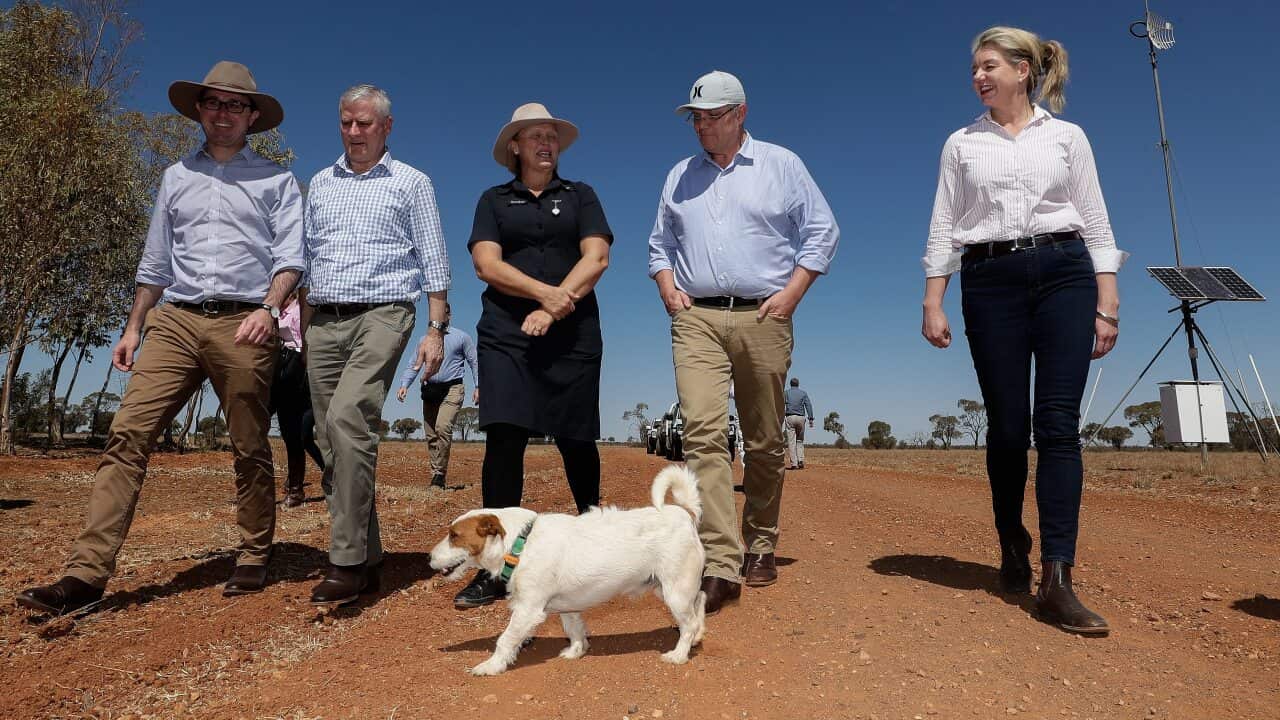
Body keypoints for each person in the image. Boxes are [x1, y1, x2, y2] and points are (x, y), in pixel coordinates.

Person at [16, 61, 304, 616]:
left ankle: (253, 550)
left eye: (235, 105)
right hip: (175, 318)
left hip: (245, 319)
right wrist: (133, 327)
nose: (223, 113)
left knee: (246, 443)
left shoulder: (277, 180)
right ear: (199, 110)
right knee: (127, 434)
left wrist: (270, 309)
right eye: (213, 103)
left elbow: (292, 259)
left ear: (252, 117)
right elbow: (155, 261)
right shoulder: (176, 175)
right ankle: (85, 575)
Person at [921, 26, 1125, 636]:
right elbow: (944, 225)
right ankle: (1013, 542)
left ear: (1023, 70)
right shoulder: (961, 143)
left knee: (1057, 424)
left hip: (1065, 273)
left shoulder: (1067, 136)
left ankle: (1058, 577)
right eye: (975, 68)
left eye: (989, 66)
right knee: (1008, 427)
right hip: (990, 280)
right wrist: (935, 299)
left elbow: (1094, 217)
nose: (978, 77)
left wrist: (1107, 299)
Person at [648, 70, 839, 615]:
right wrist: (667, 286)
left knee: (761, 439)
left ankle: (761, 543)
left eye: (713, 116)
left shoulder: (782, 164)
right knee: (703, 435)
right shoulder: (679, 176)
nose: (702, 127)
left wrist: (794, 292)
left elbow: (823, 230)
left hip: (763, 315)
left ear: (741, 114)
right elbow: (659, 243)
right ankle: (720, 562)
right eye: (696, 118)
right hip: (697, 318)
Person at [454, 102, 612, 609]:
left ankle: (599, 555)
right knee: (504, 439)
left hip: (574, 336)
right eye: (535, 136)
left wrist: (557, 304)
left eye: (552, 136)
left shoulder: (581, 195)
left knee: (577, 440)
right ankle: (495, 570)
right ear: (515, 148)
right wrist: (544, 296)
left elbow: (598, 257)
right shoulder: (493, 200)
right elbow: (485, 263)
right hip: (508, 336)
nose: (546, 143)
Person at [301, 84, 450, 607]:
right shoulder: (320, 183)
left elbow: (434, 257)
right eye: (346, 123)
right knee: (326, 438)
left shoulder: (411, 183)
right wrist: (297, 324)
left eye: (365, 123)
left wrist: (435, 329)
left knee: (348, 418)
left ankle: (344, 562)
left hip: (385, 313)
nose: (355, 132)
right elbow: (306, 255)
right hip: (322, 319)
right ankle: (368, 553)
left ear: (386, 127)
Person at [395, 302, 479, 488]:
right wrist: (404, 384)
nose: (441, 316)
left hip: (453, 388)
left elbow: (474, 362)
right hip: (431, 390)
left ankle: (439, 474)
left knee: (442, 428)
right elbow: (413, 364)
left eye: (444, 313)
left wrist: (478, 386)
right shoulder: (424, 340)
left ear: (449, 315)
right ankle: (436, 475)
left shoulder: (462, 338)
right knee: (431, 434)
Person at [272, 293, 324, 508]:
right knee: (285, 433)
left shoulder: (301, 308)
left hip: (302, 371)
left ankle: (302, 485)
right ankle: (290, 488)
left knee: (300, 435)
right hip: (280, 371)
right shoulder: (274, 311)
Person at [783, 378, 814, 470]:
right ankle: (801, 460)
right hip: (801, 418)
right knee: (800, 440)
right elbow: (808, 405)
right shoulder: (803, 393)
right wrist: (811, 419)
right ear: (798, 384)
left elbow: (781, 404)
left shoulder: (786, 393)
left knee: (791, 442)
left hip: (790, 417)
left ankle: (794, 464)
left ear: (790, 384)